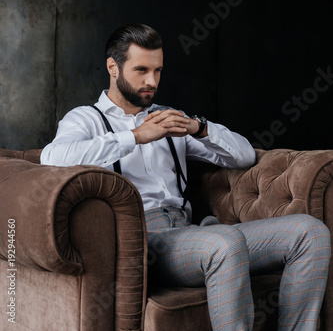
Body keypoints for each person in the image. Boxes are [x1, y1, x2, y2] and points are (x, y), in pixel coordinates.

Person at [41, 23, 330, 330]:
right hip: (144, 241)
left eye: (158, 70)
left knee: (310, 233)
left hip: (190, 232)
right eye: (141, 70)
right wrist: (136, 136)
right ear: (113, 67)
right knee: (225, 241)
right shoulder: (87, 118)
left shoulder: (169, 117)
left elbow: (243, 156)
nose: (152, 81)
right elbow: (52, 158)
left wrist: (199, 128)